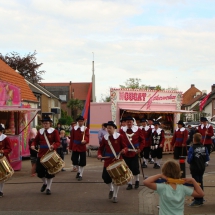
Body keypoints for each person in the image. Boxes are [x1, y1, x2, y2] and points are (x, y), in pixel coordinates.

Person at [98, 121, 127, 203]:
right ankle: (111, 189)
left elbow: (125, 147)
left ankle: (115, 195)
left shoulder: (120, 136)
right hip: (107, 160)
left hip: (117, 160)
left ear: (114, 128)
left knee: (117, 178)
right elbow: (101, 148)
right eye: (107, 128)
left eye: (110, 128)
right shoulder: (105, 137)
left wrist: (124, 150)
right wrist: (99, 154)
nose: (108, 129)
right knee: (105, 178)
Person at [31, 115, 60, 195]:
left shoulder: (54, 131)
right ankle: (45, 183)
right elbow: (35, 141)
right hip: (41, 154)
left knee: (49, 172)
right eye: (44, 123)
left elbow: (58, 142)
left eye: (46, 123)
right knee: (39, 171)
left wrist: (53, 146)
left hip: (50, 154)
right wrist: (33, 144)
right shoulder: (40, 131)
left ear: (50, 123)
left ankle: (48, 188)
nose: (45, 125)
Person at [120, 116, 145, 190]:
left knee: (135, 168)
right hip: (126, 152)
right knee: (127, 169)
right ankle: (130, 183)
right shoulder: (122, 131)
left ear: (132, 122)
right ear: (125, 123)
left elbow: (142, 140)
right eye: (127, 122)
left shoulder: (138, 130)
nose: (129, 123)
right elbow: (119, 141)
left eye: (130, 122)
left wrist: (140, 149)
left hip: (135, 152)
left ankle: (137, 180)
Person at [187, 133, 209, 207]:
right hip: (202, 167)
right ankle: (201, 197)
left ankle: (197, 199)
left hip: (194, 167)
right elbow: (207, 158)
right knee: (200, 182)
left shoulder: (192, 148)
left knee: (196, 183)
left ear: (194, 139)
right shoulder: (204, 147)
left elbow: (189, 160)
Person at [69, 116, 89, 181]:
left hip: (82, 146)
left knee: (82, 162)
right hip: (75, 146)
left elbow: (87, 136)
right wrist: (70, 147)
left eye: (82, 121)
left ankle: (80, 174)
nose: (80, 122)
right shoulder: (74, 129)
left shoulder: (85, 129)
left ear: (83, 122)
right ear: (77, 122)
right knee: (74, 160)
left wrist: (85, 141)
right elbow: (72, 139)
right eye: (79, 121)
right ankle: (78, 171)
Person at [0, 124, 12, 198]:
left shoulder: (5, 138)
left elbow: (9, 148)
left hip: (2, 158)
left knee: (2, 176)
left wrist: (3, 151)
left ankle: (0, 191)